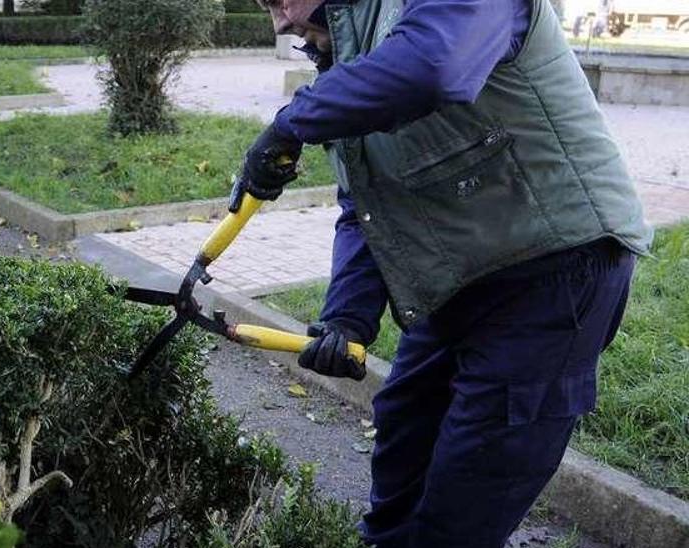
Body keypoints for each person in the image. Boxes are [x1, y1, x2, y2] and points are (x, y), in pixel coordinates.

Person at [236, 0, 652, 546]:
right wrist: (346, 319)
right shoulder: (349, 49)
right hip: (460, 279)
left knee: (468, 492)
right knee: (403, 436)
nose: (281, 23)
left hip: (554, 269)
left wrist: (292, 123)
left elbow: (435, 66)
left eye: (279, 0)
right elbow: (367, 206)